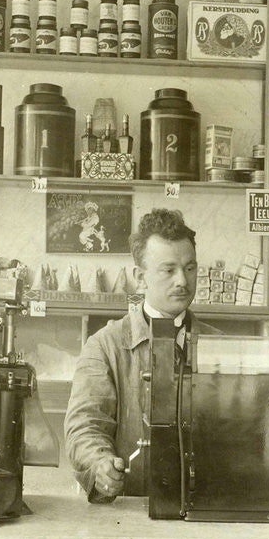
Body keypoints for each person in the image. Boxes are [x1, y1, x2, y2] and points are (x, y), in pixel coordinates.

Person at [64, 208, 217, 502]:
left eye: (190, 268)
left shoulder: (218, 344)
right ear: (140, 277)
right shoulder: (105, 346)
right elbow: (85, 425)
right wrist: (101, 465)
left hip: (207, 509)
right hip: (132, 509)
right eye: (168, 270)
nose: (182, 281)